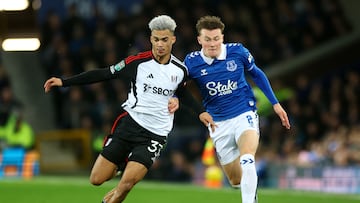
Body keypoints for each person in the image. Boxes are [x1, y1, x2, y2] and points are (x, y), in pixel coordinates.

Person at [44, 15, 215, 203]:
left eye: (164, 40)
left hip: (155, 134)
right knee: (96, 179)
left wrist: (200, 111)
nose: (160, 44)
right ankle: (124, 163)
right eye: (156, 39)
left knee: (126, 184)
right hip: (129, 125)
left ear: (173, 40)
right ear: (151, 39)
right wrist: (64, 82)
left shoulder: (179, 70)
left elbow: (182, 94)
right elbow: (104, 73)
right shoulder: (137, 62)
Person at [184, 16, 291, 203]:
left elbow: (256, 74)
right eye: (207, 39)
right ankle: (251, 193)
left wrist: (275, 103)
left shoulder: (237, 51)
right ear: (199, 40)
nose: (212, 43)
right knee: (235, 180)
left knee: (247, 158)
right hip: (218, 123)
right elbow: (179, 87)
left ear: (222, 37)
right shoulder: (192, 62)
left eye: (216, 38)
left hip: (244, 112)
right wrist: (175, 100)